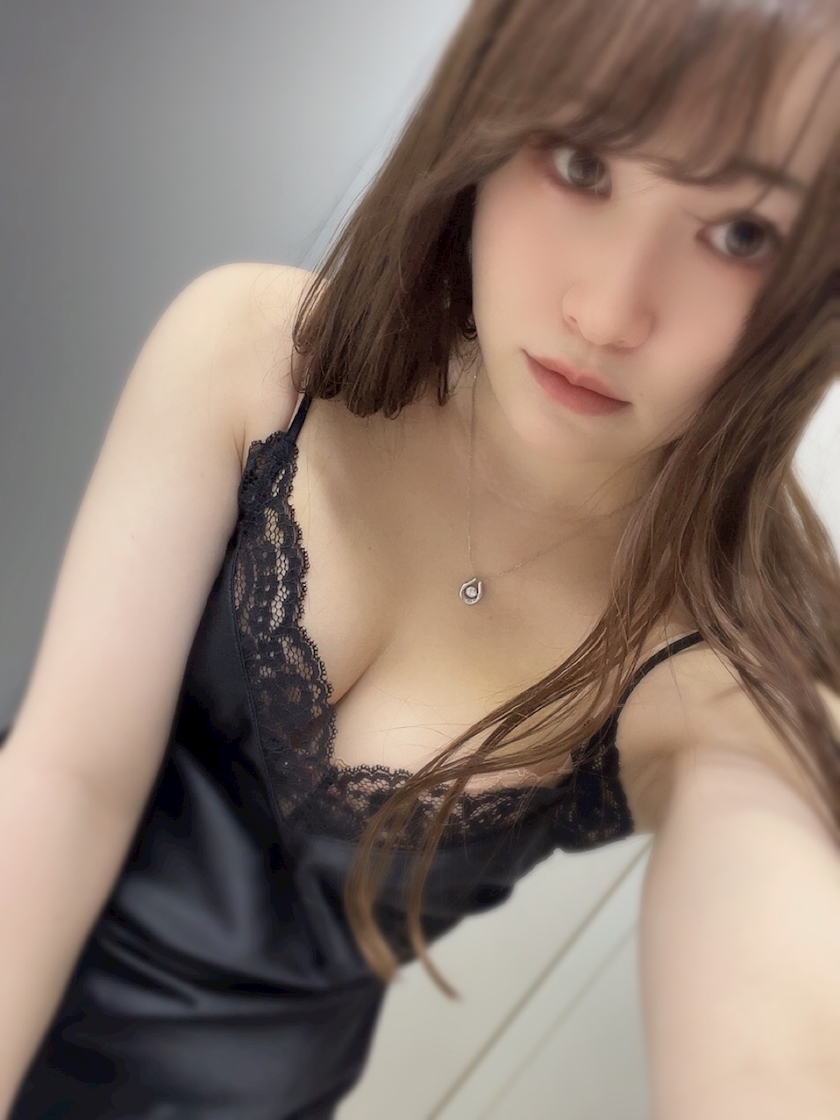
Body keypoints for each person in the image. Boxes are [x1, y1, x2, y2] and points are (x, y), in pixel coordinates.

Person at [2, 0, 840, 1115]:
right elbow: (66, 780)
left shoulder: (714, 689)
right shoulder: (254, 358)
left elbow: (778, 1033)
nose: (607, 311)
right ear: (485, 124)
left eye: (742, 235)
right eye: (583, 164)